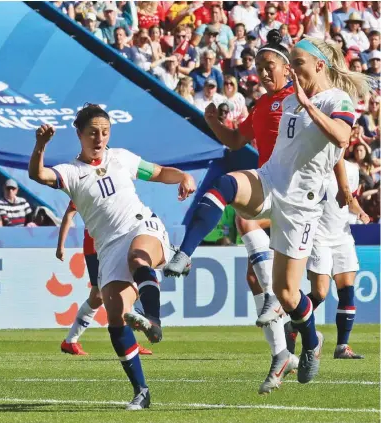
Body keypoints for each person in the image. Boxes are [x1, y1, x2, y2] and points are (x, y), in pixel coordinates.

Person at [165, 33, 373, 386]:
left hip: (301, 205)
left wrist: (309, 108)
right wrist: (216, 120)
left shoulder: (336, 99)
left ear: (319, 66)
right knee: (225, 186)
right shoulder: (287, 98)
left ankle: (310, 341)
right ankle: (183, 254)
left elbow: (341, 138)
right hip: (269, 180)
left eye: (298, 64)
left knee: (289, 293)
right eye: (290, 64)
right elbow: (243, 140)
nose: (293, 70)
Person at [29, 104, 196, 410]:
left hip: (141, 225)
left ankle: (153, 320)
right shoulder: (71, 172)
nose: (100, 138)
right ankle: (142, 392)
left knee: (138, 258)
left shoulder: (121, 157)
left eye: (105, 132)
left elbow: (158, 172)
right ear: (79, 134)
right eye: (93, 132)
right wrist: (40, 146)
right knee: (116, 318)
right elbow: (38, 174)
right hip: (108, 247)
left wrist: (183, 176)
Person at [56, 201, 152, 357]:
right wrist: (60, 246)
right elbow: (69, 213)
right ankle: (129, 342)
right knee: (115, 291)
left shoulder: (115, 187)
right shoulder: (87, 186)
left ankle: (70, 341)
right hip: (97, 246)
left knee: (99, 295)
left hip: (109, 244)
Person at [303, 159, 369, 360]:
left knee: (347, 289)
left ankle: (342, 346)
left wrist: (361, 212)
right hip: (318, 237)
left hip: (342, 236)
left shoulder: (352, 169)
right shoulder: (313, 164)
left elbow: (351, 200)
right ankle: (295, 320)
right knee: (320, 292)